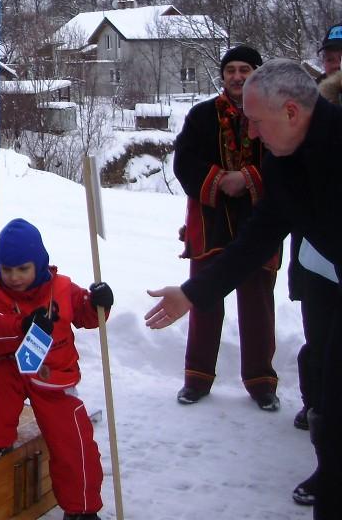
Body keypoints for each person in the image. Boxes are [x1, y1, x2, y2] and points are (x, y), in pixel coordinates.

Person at [146, 58, 342, 520]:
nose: (250, 133)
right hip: (330, 284)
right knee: (332, 417)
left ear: (291, 112)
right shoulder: (283, 159)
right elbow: (258, 237)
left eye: (256, 121)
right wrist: (193, 293)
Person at [0, 219, 112, 520]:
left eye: (23, 269)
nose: (14, 277)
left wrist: (98, 302)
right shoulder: (0, 294)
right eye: (6, 269)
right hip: (15, 367)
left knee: (75, 442)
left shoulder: (61, 288)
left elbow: (87, 315)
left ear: (39, 263)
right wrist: (21, 326)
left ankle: (81, 509)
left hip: (53, 378)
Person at [171, 45, 281, 410]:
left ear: (257, 74)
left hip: (259, 223)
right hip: (210, 222)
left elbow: (285, 163)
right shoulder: (202, 116)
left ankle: (261, 383)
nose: (237, 76)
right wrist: (220, 180)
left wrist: (248, 178)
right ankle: (197, 379)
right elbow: (184, 162)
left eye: (244, 69)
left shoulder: (273, 115)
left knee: (258, 306)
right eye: (231, 70)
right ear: (222, 75)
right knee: (204, 300)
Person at [287, 23, 341, 505]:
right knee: (320, 351)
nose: (335, 61)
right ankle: (327, 464)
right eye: (330, 53)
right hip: (317, 264)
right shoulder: (309, 112)